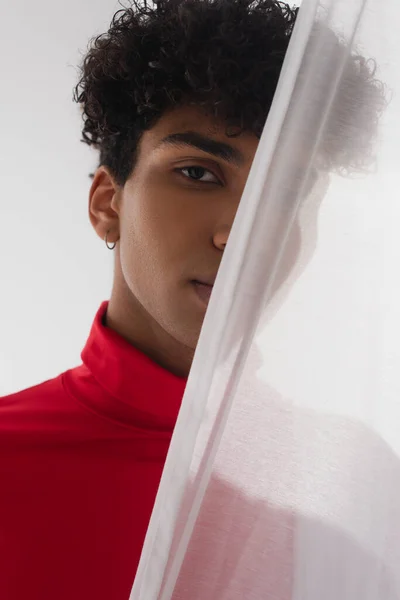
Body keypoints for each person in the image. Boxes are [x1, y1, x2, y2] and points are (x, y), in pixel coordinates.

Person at [0, 1, 386, 599]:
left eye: (287, 192)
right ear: (108, 204)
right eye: (199, 174)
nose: (243, 233)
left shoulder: (354, 483)